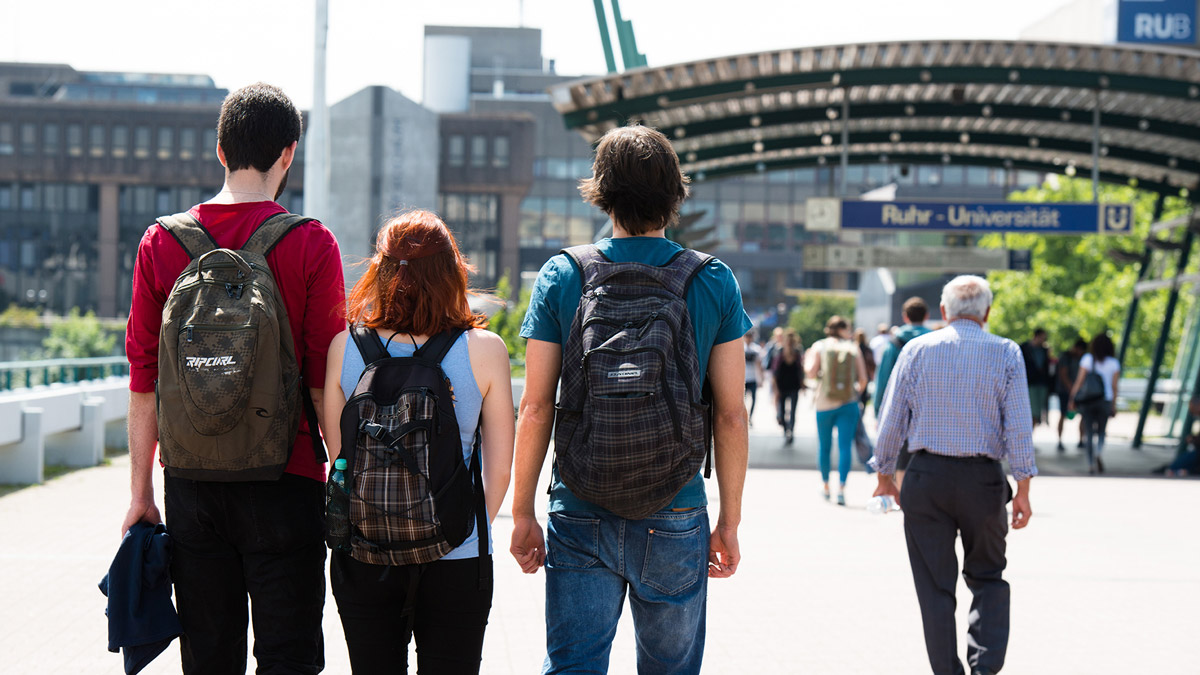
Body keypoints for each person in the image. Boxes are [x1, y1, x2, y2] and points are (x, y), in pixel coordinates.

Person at [510, 124, 750, 675]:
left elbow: (537, 405)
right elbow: (732, 415)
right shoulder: (711, 279)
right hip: (676, 508)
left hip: (579, 506)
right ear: (674, 193)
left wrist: (523, 512)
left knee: (573, 665)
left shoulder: (563, 274)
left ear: (601, 192)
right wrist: (729, 521)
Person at [122, 83, 345, 674]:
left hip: (193, 482)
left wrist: (142, 495)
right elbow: (327, 379)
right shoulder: (310, 242)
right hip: (287, 476)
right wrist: (342, 473)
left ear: (220, 150)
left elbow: (143, 379)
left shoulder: (161, 241)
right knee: (288, 655)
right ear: (288, 154)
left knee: (209, 658)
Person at [321, 210, 514, 673]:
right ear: (452, 272)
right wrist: (451, 530)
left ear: (380, 271)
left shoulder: (344, 347)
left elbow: (339, 452)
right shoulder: (485, 351)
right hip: (457, 555)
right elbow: (500, 469)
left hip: (365, 550)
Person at [872, 275, 1036, 675]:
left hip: (926, 478)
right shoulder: (1006, 353)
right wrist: (1024, 489)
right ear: (987, 313)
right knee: (989, 577)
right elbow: (1018, 425)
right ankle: (985, 668)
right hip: (983, 481)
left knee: (934, 586)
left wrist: (885, 475)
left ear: (943, 312)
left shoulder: (917, 349)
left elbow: (892, 418)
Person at [805, 316, 868, 505]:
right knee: (844, 447)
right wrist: (852, 392)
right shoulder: (853, 347)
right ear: (843, 329)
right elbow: (863, 379)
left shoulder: (819, 346)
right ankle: (841, 489)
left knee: (824, 447)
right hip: (848, 403)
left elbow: (810, 372)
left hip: (824, 403)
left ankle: (825, 486)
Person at [873, 297, 930, 489]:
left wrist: (877, 410)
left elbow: (884, 379)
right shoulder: (934, 341)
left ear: (905, 317)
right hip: (928, 407)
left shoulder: (894, 343)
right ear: (927, 316)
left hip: (902, 405)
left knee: (902, 452)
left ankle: (903, 493)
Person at [1069, 333, 1120, 475]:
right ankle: (1099, 451)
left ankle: (1091, 463)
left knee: (1089, 431)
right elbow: (1115, 386)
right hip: (1106, 399)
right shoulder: (1113, 363)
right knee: (1102, 430)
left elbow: (1079, 381)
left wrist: (1072, 399)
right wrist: (1114, 405)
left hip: (1088, 400)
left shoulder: (1087, 359)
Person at [771, 330, 805, 445]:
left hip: (794, 385)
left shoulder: (797, 352)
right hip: (782, 386)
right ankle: (787, 431)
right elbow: (774, 372)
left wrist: (802, 384)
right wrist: (775, 389)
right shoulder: (779, 352)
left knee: (793, 411)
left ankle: (790, 432)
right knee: (782, 411)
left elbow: (800, 370)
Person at [1056, 338, 1088, 452]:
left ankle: (1081, 440)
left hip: (1078, 392)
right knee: (1063, 415)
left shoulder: (1083, 358)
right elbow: (1063, 375)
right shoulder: (1065, 357)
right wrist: (1073, 390)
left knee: (1083, 416)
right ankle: (1059, 441)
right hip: (1065, 391)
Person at [1021, 328, 1053, 427]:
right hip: (1029, 383)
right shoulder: (1024, 348)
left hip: (1042, 383)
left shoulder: (1044, 350)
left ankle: (1031, 434)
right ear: (1036, 336)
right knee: (1031, 411)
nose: (1043, 340)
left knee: (1038, 412)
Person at [744, 330, 764, 422]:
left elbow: (759, 365)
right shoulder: (741, 348)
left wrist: (761, 379)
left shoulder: (756, 349)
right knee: (742, 400)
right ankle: (744, 415)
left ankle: (750, 416)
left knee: (753, 399)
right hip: (743, 378)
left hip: (753, 377)